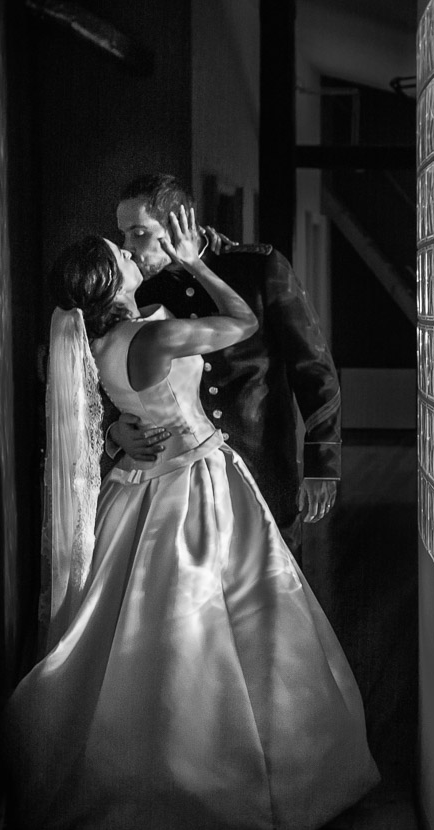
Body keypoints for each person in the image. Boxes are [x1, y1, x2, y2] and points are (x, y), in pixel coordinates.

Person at [5, 210, 379, 830]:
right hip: (193, 486)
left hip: (133, 488)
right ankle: (226, 786)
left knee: (131, 643)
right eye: (119, 252)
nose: (129, 252)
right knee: (215, 632)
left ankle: (132, 771)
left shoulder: (93, 344)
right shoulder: (154, 336)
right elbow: (242, 324)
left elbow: (95, 408)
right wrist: (198, 262)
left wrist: (120, 429)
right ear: (111, 282)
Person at [110, 173, 341, 553]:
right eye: (123, 235)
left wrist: (322, 462)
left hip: (261, 463)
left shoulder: (258, 268)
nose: (128, 248)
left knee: (275, 587)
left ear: (177, 223)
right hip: (181, 481)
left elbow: (313, 367)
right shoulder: (143, 290)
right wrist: (116, 431)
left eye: (138, 233)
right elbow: (114, 374)